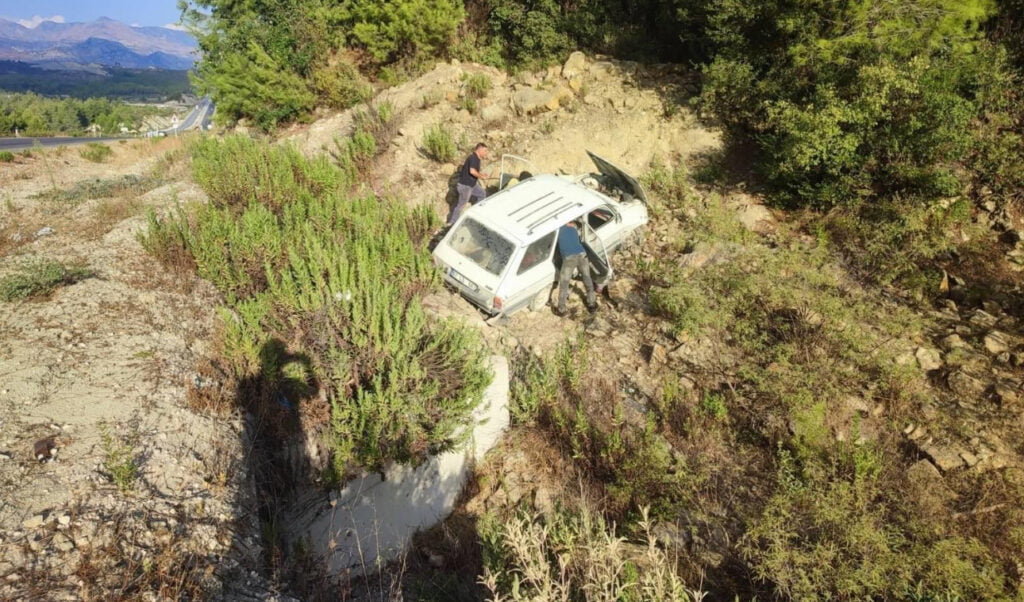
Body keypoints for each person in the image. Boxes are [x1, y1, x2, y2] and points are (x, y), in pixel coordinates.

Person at [555, 221, 597, 315]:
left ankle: (561, 309)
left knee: (564, 283)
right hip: (582, 254)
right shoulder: (573, 227)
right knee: (587, 278)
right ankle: (592, 305)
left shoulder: (556, 230)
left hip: (569, 258)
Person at [447, 142, 490, 226]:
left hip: (472, 185)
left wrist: (481, 175)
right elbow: (472, 171)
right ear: (479, 149)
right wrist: (481, 176)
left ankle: (477, 214)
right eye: (485, 151)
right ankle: (452, 223)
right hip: (465, 186)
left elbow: (473, 171)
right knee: (461, 205)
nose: (486, 153)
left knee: (482, 193)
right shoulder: (473, 158)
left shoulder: (476, 159)